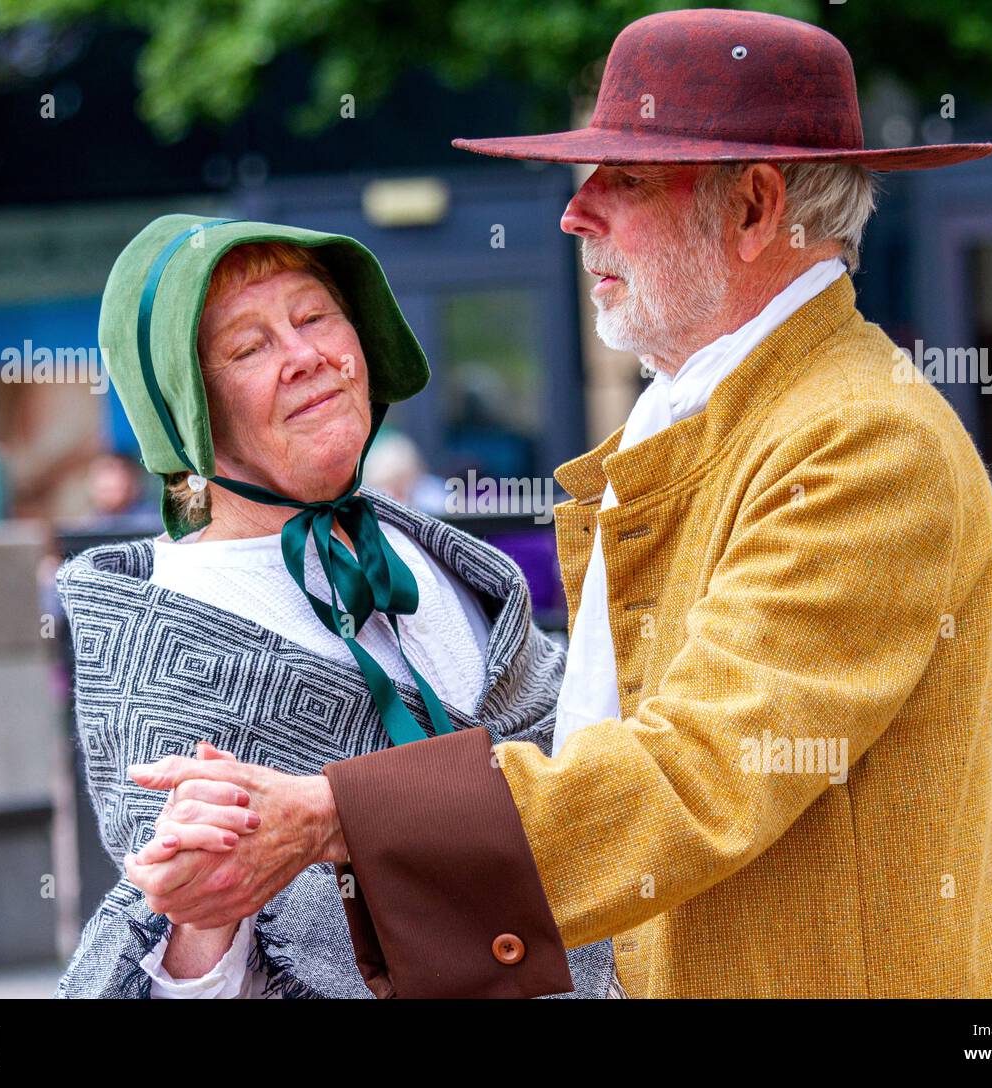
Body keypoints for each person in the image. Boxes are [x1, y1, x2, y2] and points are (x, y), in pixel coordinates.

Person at [124, 10, 992, 998]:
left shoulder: (864, 437)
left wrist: (334, 815)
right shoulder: (717, 407)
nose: (576, 213)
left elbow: (698, 771)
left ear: (752, 208)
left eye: (625, 178)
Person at [54, 216, 614, 997]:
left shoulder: (442, 555)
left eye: (315, 316)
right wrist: (203, 916)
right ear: (187, 414)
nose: (307, 357)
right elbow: (183, 957)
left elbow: (594, 768)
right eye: (249, 348)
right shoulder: (160, 632)